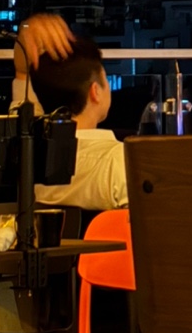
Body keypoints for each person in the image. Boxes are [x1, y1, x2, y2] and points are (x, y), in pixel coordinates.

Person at [10, 15, 127, 211]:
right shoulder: (121, 160)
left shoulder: (29, 151)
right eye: (105, 80)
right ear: (95, 91)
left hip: (44, 241)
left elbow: (22, 74)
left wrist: (27, 30)